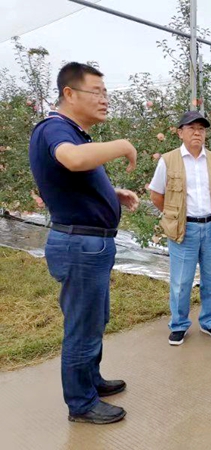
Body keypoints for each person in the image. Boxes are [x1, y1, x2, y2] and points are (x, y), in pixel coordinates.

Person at [29, 62, 139, 424]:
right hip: (79, 246)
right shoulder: (54, 129)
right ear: (69, 93)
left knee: (94, 320)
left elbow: (72, 178)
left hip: (90, 244)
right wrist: (122, 145)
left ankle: (90, 380)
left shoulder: (75, 133)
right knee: (81, 326)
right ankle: (81, 403)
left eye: (106, 92)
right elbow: (72, 160)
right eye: (97, 92)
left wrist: (111, 193)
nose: (104, 99)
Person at [149, 111, 211, 345]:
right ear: (180, 133)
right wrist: (175, 216)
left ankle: (210, 322)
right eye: (191, 128)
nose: (197, 133)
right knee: (181, 282)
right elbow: (156, 195)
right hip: (184, 230)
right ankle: (179, 325)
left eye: (201, 129)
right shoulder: (168, 160)